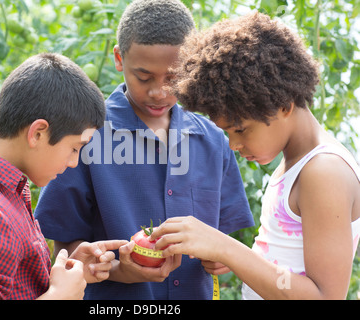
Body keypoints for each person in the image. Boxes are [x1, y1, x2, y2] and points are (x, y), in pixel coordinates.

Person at [34, 0, 254, 300]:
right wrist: (118, 271)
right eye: (144, 76)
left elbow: (223, 240)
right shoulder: (85, 138)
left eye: (172, 78)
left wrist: (220, 258)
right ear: (118, 58)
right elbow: (65, 253)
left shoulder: (213, 140)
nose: (159, 91)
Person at [150, 12, 360, 299]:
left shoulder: (324, 172)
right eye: (227, 133)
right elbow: (288, 261)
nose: (233, 145)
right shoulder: (295, 162)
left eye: (241, 130)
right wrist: (240, 260)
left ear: (283, 106)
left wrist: (226, 248)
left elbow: (324, 296)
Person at [0, 53, 128, 300]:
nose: (74, 162)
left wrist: (62, 276)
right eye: (74, 148)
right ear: (38, 133)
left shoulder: (6, 193)